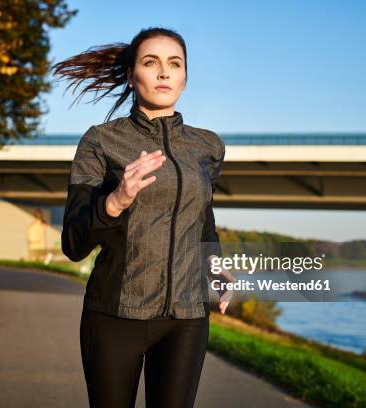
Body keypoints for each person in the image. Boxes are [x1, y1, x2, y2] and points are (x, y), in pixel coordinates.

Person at [53, 27, 237, 408]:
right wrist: (115, 201)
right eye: (151, 63)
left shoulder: (207, 147)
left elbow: (202, 219)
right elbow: (73, 243)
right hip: (115, 315)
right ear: (131, 75)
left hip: (186, 317)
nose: (164, 73)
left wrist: (215, 263)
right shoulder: (101, 141)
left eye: (175, 64)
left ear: (186, 77)